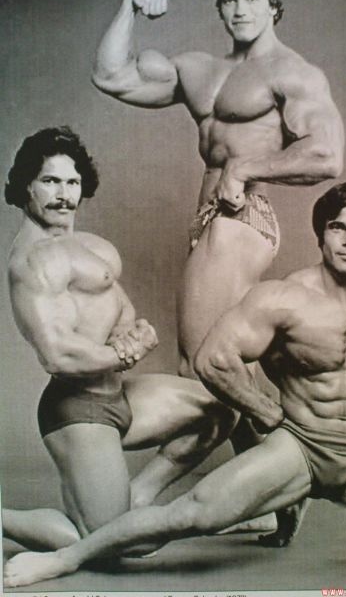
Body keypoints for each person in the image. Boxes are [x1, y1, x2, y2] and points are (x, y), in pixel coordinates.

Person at [5, 181, 346, 587]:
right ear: (320, 235)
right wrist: (265, 411)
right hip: (299, 449)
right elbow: (214, 360)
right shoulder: (282, 299)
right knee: (188, 515)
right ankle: (66, 558)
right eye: (338, 228)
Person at [92, 0, 344, 541]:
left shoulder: (292, 73)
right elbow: (111, 77)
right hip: (208, 220)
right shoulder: (198, 70)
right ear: (219, 8)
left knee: (204, 368)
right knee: (230, 366)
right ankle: (281, 492)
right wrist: (128, 7)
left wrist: (248, 167)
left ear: (273, 6)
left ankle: (142, 497)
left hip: (241, 219)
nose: (239, 9)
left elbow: (327, 155)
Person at [2, 126, 237, 553]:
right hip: (78, 409)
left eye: (72, 182)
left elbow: (115, 304)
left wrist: (135, 330)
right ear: (26, 187)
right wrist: (122, 353)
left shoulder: (81, 245)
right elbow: (57, 356)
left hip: (119, 394)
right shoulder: (32, 262)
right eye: (50, 181)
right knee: (120, 545)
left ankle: (136, 500)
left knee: (220, 411)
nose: (63, 195)